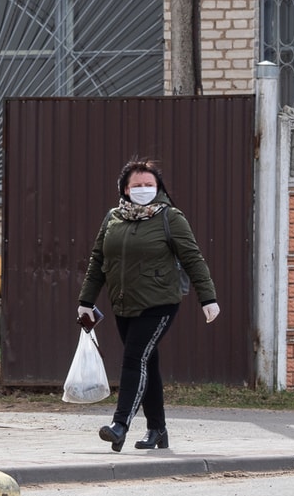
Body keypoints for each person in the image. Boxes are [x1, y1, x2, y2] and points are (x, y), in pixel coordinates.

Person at [77, 157, 219, 451]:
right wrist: (86, 300)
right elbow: (98, 259)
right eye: (137, 185)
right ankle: (158, 430)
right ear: (125, 189)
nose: (143, 189)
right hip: (123, 303)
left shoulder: (170, 217)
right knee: (147, 362)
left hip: (159, 303)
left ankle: (120, 425)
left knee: (134, 359)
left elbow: (193, 258)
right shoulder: (113, 218)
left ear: (158, 187)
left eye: (149, 184)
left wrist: (208, 297)